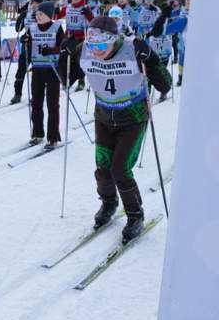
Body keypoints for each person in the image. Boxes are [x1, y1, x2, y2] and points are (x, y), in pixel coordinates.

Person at [59, 16, 171, 243]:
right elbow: (68, 79)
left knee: (120, 169)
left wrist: (150, 58)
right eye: (93, 45)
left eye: (102, 45)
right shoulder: (84, 49)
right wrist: (65, 58)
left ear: (115, 40)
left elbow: (164, 84)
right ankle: (109, 202)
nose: (97, 51)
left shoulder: (132, 48)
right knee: (102, 168)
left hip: (133, 117)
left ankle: (135, 215)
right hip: (103, 117)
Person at [24, 1, 64, 150]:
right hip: (38, 68)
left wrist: (52, 50)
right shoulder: (32, 28)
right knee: (36, 102)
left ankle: (53, 137)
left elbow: (63, 47)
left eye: (42, 14)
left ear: (49, 15)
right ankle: (37, 133)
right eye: (38, 14)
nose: (38, 16)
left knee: (52, 104)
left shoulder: (57, 27)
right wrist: (25, 42)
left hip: (53, 69)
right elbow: (28, 44)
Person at [55, 0, 93, 91]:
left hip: (81, 37)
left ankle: (81, 81)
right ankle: (66, 80)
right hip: (69, 36)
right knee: (62, 57)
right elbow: (58, 16)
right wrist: (56, 9)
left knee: (79, 60)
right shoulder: (68, 7)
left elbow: (92, 21)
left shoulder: (85, 7)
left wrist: (88, 13)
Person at [11, 0, 42, 104]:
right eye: (33, 2)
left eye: (37, 3)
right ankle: (17, 93)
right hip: (26, 45)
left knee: (37, 72)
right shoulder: (27, 14)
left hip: (39, 47)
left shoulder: (44, 15)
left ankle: (36, 95)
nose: (34, 5)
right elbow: (18, 29)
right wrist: (20, 19)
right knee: (21, 70)